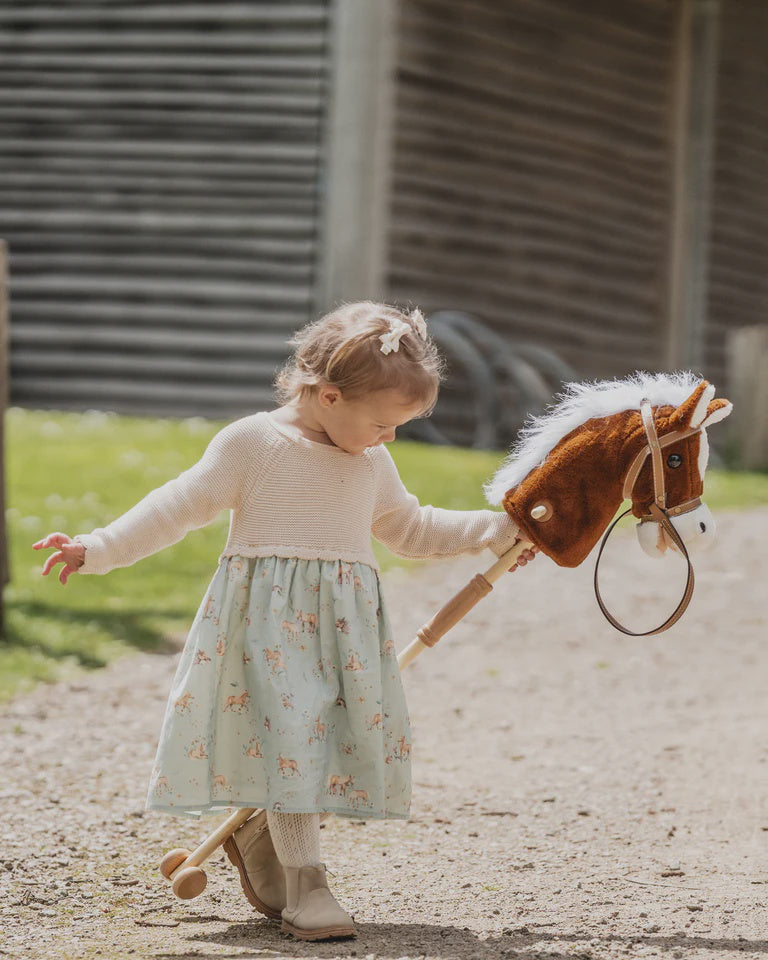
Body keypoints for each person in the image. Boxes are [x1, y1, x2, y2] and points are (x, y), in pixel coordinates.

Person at [33, 301, 536, 941]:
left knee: (317, 743)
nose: (390, 438)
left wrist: (495, 532)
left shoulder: (371, 462)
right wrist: (98, 547)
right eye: (383, 424)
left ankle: (262, 831)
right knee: (294, 733)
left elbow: (410, 529)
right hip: (268, 631)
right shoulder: (253, 444)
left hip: (341, 634)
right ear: (328, 396)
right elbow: (178, 506)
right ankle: (308, 883)